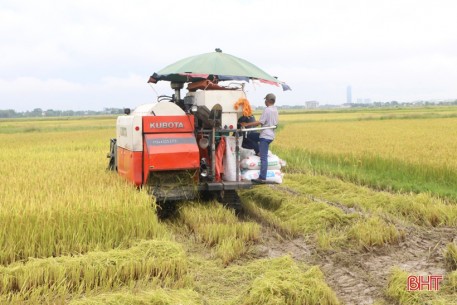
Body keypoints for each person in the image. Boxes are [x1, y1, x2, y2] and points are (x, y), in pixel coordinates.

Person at [240, 93, 279, 184]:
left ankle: (262, 177)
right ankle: (258, 151)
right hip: (270, 135)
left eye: (266, 100)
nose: (265, 101)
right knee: (248, 137)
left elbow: (260, 122)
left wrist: (246, 124)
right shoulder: (275, 110)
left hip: (265, 136)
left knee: (263, 158)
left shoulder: (267, 110)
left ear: (268, 101)